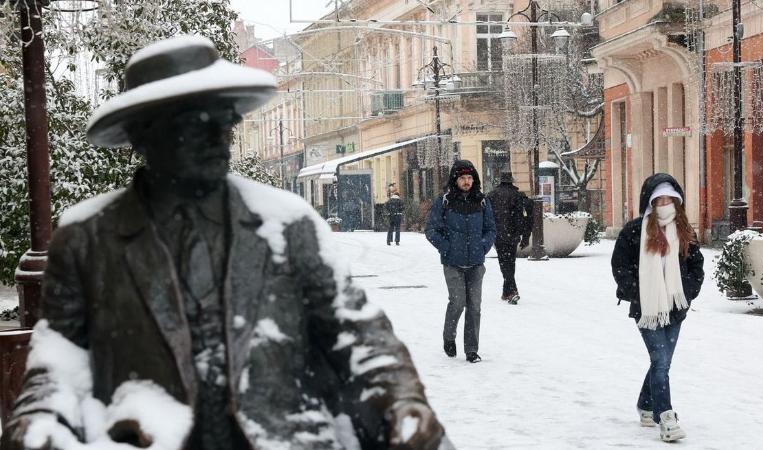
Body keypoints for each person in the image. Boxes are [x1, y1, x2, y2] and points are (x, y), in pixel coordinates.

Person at [2, 36, 450, 450]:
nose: (220, 137)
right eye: (198, 125)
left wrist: (401, 400)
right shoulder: (87, 238)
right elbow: (58, 359)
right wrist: (39, 417)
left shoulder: (288, 224)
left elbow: (358, 334)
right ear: (144, 135)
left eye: (225, 121)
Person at [610, 173, 704, 443]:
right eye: (659, 199)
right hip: (647, 308)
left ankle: (646, 404)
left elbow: (696, 266)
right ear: (651, 202)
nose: (664, 203)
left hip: (675, 308)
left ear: (677, 201)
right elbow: (621, 266)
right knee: (661, 362)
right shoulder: (634, 231)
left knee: (662, 363)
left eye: (669, 199)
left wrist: (688, 292)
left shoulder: (685, 230)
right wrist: (637, 294)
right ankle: (666, 417)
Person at [425, 160, 496, 364]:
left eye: (470, 178)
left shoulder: (482, 202)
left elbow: (491, 229)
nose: (467, 182)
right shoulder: (444, 202)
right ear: (455, 180)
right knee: (457, 303)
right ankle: (449, 337)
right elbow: (431, 230)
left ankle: (472, 350)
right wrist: (446, 248)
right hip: (453, 263)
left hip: (476, 263)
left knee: (474, 307)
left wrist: (483, 246)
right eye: (463, 178)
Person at [486, 170, 530, 304]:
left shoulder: (491, 195)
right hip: (513, 234)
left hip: (498, 235)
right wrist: (525, 236)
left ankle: (511, 290)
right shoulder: (518, 195)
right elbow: (525, 218)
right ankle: (508, 291)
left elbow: (487, 216)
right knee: (510, 262)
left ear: (500, 180)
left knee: (503, 262)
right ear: (511, 181)